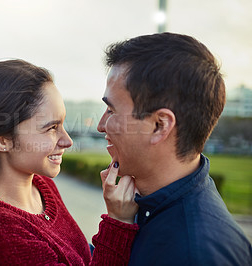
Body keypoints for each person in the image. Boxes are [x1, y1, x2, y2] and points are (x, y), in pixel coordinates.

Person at [0, 59, 139, 265]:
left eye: (63, 125)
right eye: (52, 128)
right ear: (1, 139)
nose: (68, 141)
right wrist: (118, 222)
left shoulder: (42, 186)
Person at [97, 32, 252, 265]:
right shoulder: (145, 206)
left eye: (112, 111)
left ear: (160, 125)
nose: (100, 126)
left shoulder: (194, 254)